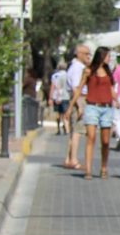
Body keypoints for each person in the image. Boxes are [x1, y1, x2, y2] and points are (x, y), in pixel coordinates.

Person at [64, 46, 115, 180]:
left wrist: (118, 100)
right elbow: (79, 89)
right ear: (101, 56)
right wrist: (70, 108)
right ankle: (88, 169)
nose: (110, 59)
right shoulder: (88, 71)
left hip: (107, 108)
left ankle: (104, 167)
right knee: (91, 137)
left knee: (105, 141)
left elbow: (111, 89)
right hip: (92, 106)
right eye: (108, 56)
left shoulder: (109, 72)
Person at [63, 44, 91, 169]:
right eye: (86, 54)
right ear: (78, 54)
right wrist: (79, 104)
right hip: (80, 98)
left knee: (75, 130)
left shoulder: (76, 66)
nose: (88, 56)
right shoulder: (78, 68)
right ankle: (73, 159)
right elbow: (76, 87)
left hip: (78, 98)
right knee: (78, 131)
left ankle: (69, 158)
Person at [49, 61, 70, 136]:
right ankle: (66, 127)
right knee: (65, 113)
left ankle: (58, 128)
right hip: (66, 96)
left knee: (58, 113)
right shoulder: (68, 75)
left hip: (56, 96)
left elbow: (53, 87)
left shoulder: (55, 76)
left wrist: (50, 98)